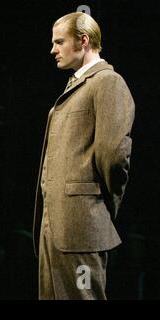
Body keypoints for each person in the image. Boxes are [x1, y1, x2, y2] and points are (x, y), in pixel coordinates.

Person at [33, 12, 135, 299]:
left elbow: (114, 155)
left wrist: (100, 205)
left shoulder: (107, 82)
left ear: (84, 41)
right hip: (57, 227)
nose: (53, 49)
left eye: (59, 42)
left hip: (80, 227)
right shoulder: (78, 85)